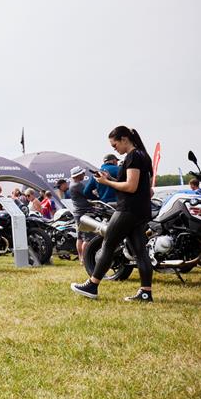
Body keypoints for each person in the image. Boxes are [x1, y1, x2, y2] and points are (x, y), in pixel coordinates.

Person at [71, 126, 155, 302]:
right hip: (140, 210)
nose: (114, 149)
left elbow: (130, 186)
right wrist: (109, 179)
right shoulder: (143, 155)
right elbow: (140, 186)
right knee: (140, 251)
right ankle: (145, 292)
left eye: (115, 144)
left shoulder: (132, 156)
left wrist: (106, 183)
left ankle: (92, 286)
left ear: (124, 139)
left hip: (128, 209)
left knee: (108, 243)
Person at [68, 167, 92, 263]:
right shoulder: (78, 185)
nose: (84, 175)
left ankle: (81, 258)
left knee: (80, 236)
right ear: (78, 175)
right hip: (84, 212)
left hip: (78, 212)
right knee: (88, 237)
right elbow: (88, 194)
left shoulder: (72, 184)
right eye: (83, 173)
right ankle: (86, 259)